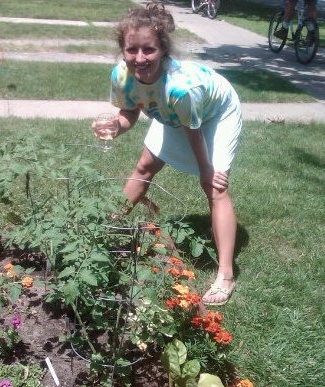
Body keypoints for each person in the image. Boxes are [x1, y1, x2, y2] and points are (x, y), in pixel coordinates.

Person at [91, 3, 242, 306]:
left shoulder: (180, 88)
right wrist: (117, 126)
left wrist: (206, 169)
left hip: (215, 112)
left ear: (163, 50)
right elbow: (130, 111)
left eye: (148, 49)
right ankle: (103, 231)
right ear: (123, 50)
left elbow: (193, 131)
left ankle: (225, 274)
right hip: (174, 114)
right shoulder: (122, 75)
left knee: (213, 185)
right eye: (132, 49)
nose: (139, 58)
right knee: (144, 166)